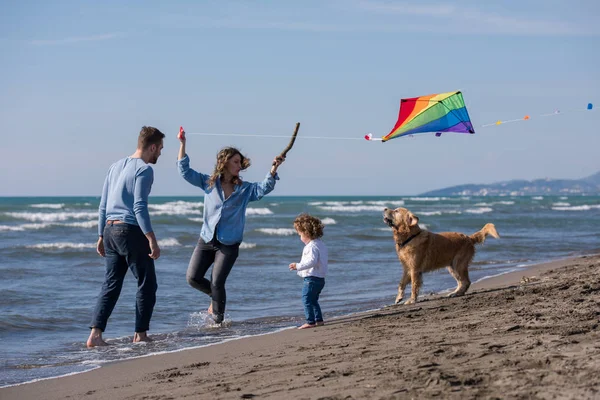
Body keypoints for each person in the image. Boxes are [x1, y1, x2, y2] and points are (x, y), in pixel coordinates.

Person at [177, 128, 285, 323]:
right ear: (224, 162)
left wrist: (273, 169)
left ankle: (217, 323)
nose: (239, 166)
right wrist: (182, 143)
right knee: (192, 278)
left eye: (240, 163)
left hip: (229, 244)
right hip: (207, 238)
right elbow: (184, 171)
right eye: (236, 162)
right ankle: (215, 298)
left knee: (218, 281)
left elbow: (264, 188)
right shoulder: (208, 183)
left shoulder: (244, 189)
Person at [87, 126, 165, 348]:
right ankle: (140, 334)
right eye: (159, 148)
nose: (160, 153)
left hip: (110, 231)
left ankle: (95, 335)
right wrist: (151, 238)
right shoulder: (144, 170)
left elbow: (103, 205)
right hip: (129, 230)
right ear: (152, 146)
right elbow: (139, 206)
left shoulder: (115, 166)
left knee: (111, 284)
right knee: (147, 283)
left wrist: (101, 235)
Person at [289, 213, 328, 329]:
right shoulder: (320, 244)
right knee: (314, 300)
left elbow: (312, 261)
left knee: (306, 299)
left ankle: (310, 321)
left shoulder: (311, 246)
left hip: (312, 278)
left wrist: (298, 266)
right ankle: (319, 320)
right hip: (320, 278)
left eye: (300, 234)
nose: (299, 237)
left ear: (306, 233)